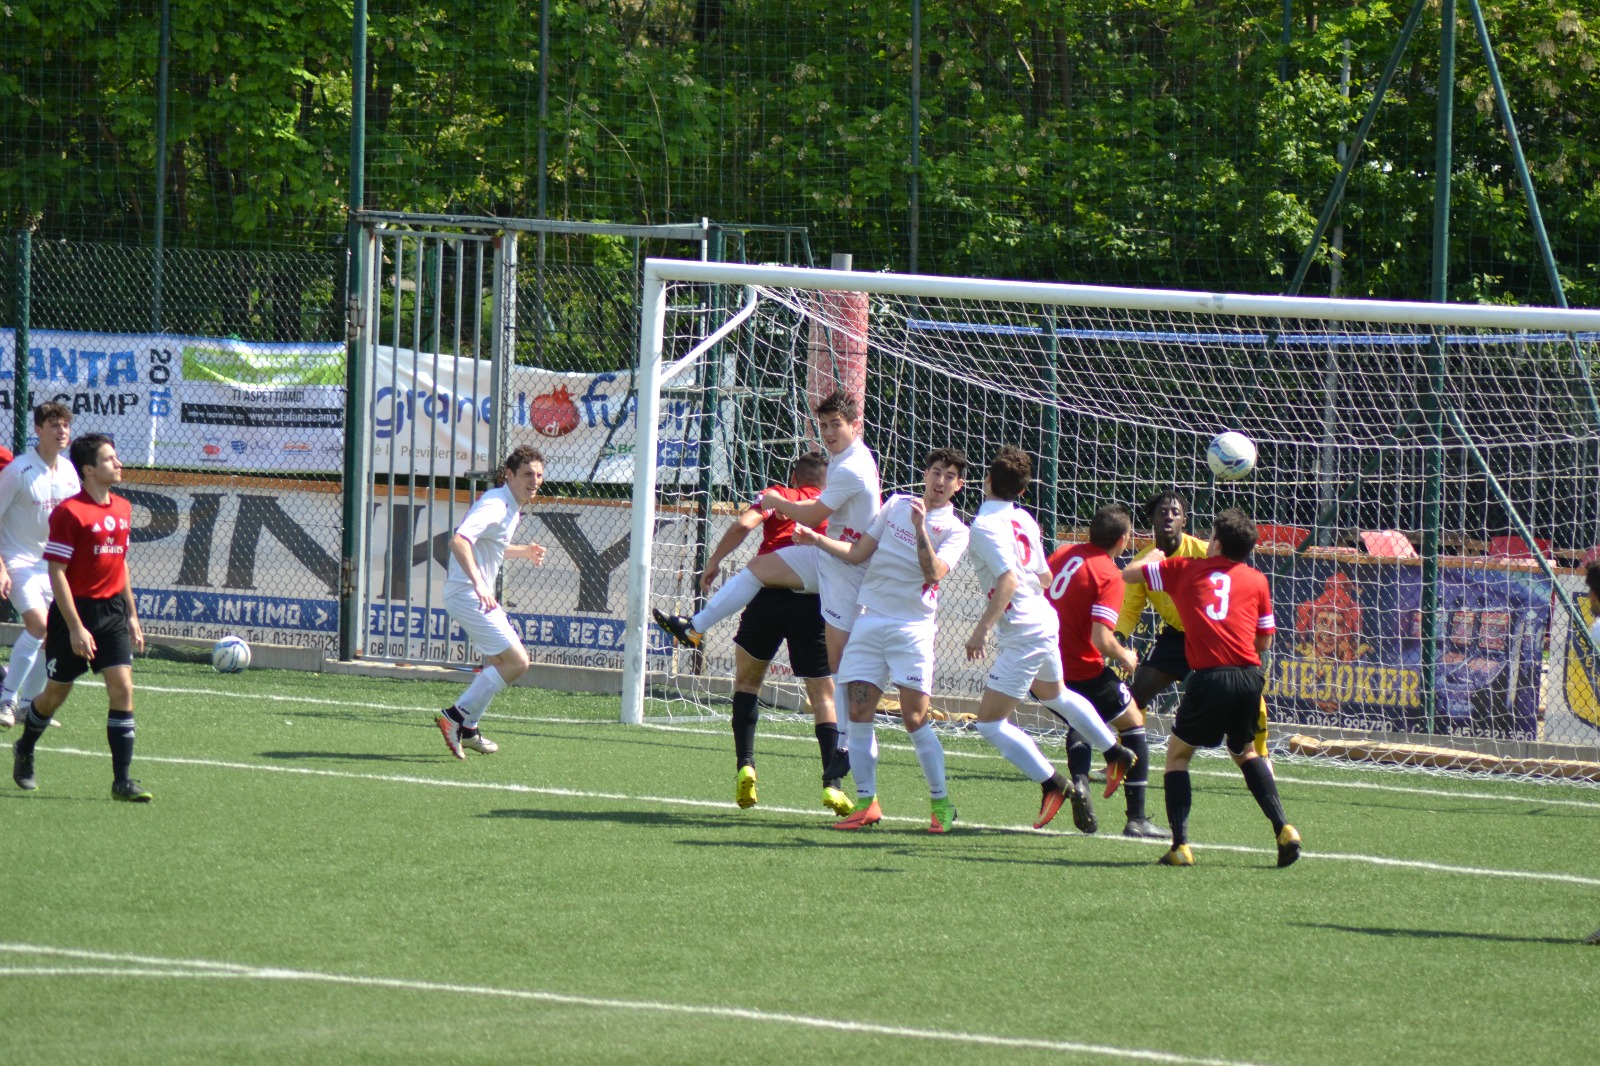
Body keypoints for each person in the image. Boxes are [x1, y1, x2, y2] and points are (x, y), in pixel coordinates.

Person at [797, 448, 970, 833]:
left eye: (949, 476)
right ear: (926, 474)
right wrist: (815, 539)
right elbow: (859, 553)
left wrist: (921, 528)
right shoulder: (894, 505)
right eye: (936, 472)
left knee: (914, 718)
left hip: (912, 630)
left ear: (959, 486)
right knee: (858, 714)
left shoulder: (956, 531)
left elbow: (934, 574)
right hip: (870, 620)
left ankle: (941, 804)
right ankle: (866, 801)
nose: (940, 481)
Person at [963, 448, 1136, 829]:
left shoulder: (983, 525)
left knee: (990, 724)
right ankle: (1113, 751)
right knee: (1055, 695)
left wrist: (981, 629)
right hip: (1044, 618)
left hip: (1024, 630)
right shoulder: (1024, 518)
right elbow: (1041, 577)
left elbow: (1009, 580)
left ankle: (1053, 783)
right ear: (1023, 492)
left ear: (986, 481)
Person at [655, 390, 880, 678]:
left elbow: (810, 515)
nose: (828, 432)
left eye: (836, 424)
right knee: (759, 568)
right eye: (823, 426)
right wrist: (792, 508)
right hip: (834, 557)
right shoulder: (848, 455)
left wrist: (778, 503)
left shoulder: (850, 467)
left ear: (855, 424)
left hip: (847, 568)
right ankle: (695, 627)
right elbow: (819, 507)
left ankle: (850, 724)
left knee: (841, 669)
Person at [1122, 507, 1300, 867]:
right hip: (1249, 677)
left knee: (1177, 756)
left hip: (1210, 677)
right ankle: (1284, 828)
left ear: (1215, 541)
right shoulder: (1257, 580)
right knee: (1245, 752)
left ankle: (1180, 846)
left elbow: (1128, 575)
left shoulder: (1185, 570)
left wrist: (1154, 556)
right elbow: (1264, 643)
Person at [677, 452, 852, 815]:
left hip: (766, 595)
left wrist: (714, 561)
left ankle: (746, 764)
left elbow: (744, 524)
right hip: (813, 603)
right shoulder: (828, 506)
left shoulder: (779, 494)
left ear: (793, 475)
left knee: (747, 683)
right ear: (825, 481)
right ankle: (832, 785)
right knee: (823, 695)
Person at [11, 433, 148, 800]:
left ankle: (122, 781)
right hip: (75, 612)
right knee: (55, 694)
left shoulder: (122, 508)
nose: (118, 464)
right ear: (89, 469)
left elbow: (121, 566)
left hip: (113, 613)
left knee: (122, 689)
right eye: (109, 459)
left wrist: (132, 616)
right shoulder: (69, 513)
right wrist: (75, 627)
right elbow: (57, 572)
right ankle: (25, 748)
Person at [1116, 491, 1271, 759]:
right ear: (1151, 519)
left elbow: (1235, 582)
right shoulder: (1145, 560)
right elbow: (1130, 609)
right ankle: (1125, 759)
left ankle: (1262, 756)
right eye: (1162, 511)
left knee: (1249, 698)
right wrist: (1117, 636)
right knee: (1135, 693)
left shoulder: (1203, 551)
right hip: (1177, 637)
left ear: (1184, 521)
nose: (1169, 516)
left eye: (1175, 512)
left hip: (1215, 637)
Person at [1046, 503, 1167, 839]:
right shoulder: (1108, 575)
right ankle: (1137, 818)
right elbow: (1101, 639)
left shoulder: (1064, 552)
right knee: (1133, 722)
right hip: (1082, 668)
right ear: (1125, 539)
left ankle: (1081, 784)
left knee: (1082, 720)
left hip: (1047, 665)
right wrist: (1126, 656)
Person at [435, 445, 548, 759]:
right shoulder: (497, 504)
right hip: (468, 595)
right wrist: (479, 584)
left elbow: (492, 546)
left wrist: (523, 551)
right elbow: (459, 541)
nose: (535, 480)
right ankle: (456, 718)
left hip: (471, 595)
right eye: (527, 474)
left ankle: (468, 729)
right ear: (509, 475)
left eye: (539, 475)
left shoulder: (511, 505)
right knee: (517, 662)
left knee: (502, 664)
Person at [0, 403, 79, 730]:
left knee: (52, 638)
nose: (62, 431)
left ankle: (29, 706)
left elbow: (75, 522)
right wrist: (1, 567)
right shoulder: (18, 470)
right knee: (38, 625)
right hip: (17, 561)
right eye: (53, 425)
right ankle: (7, 699)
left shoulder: (70, 472)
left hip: (52, 567)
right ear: (37, 430)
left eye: (65, 426)